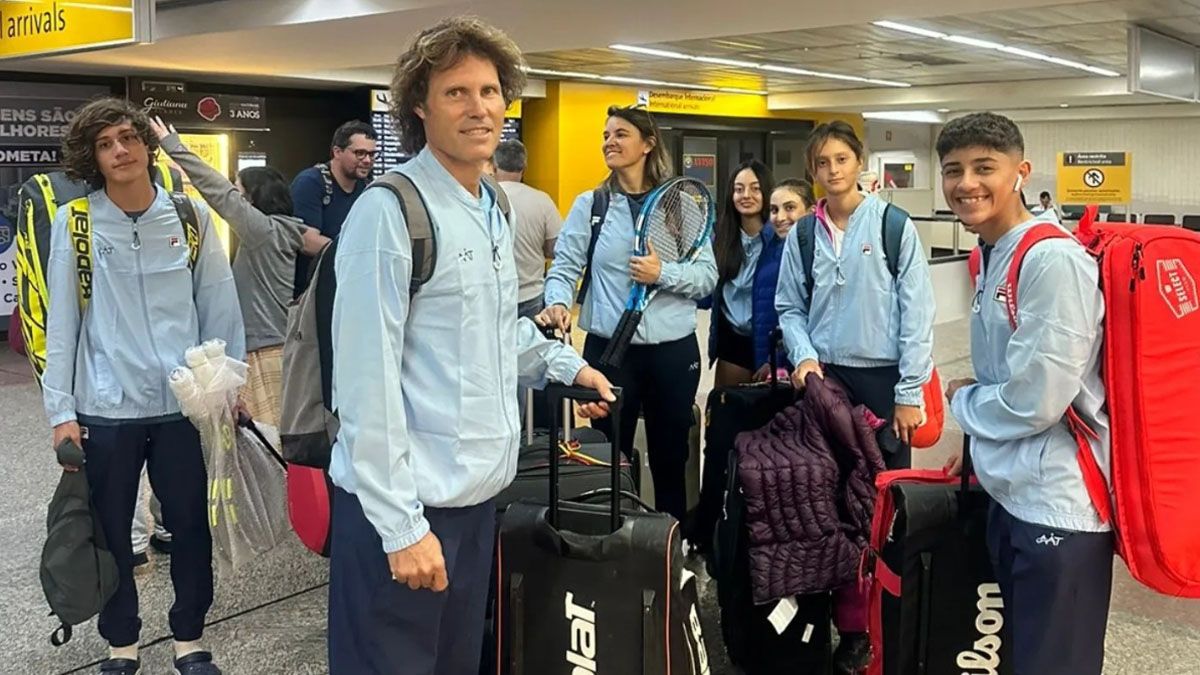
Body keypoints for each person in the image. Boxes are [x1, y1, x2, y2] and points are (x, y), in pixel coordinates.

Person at [324, 17, 615, 675]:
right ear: (419, 108)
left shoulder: (492, 204)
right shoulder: (390, 211)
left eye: (489, 91)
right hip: (405, 512)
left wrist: (567, 364)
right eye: (456, 92)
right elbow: (365, 383)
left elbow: (492, 333)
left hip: (476, 504)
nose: (479, 107)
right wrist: (401, 526)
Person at [42, 97, 242, 675]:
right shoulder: (75, 224)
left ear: (145, 144)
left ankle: (189, 639)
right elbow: (63, 325)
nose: (120, 151)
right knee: (109, 533)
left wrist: (225, 389)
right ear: (93, 158)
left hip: (183, 406)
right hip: (106, 407)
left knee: (189, 525)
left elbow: (218, 305)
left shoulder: (189, 217)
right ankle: (121, 644)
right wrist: (62, 411)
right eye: (105, 145)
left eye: (128, 138)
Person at [940, 112, 1112, 675]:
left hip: (1058, 507)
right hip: (1012, 493)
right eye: (954, 170)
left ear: (1021, 172)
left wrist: (962, 404)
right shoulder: (996, 252)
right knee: (1019, 658)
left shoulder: (1051, 260)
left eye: (984, 167)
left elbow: (1033, 401)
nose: (967, 183)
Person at [774, 120, 935, 674]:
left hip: (884, 382)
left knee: (884, 513)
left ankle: (886, 621)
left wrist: (909, 391)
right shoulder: (802, 234)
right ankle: (842, 623)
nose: (832, 171)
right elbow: (789, 307)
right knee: (828, 508)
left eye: (841, 159)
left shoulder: (892, 225)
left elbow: (918, 314)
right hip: (826, 383)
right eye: (822, 163)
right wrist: (803, 356)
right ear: (812, 170)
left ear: (859, 162)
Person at [537, 104, 717, 522]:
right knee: (607, 453)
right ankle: (612, 539)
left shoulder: (682, 206)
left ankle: (670, 544)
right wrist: (558, 300)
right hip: (610, 351)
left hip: (673, 353)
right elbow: (565, 265)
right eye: (605, 136)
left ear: (648, 144)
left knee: (670, 454)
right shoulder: (592, 204)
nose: (609, 143)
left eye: (620, 134)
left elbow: (706, 277)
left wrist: (663, 273)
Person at [152, 117, 329, 426]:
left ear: (252, 197)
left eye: (240, 190)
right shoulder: (290, 231)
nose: (235, 194)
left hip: (260, 351)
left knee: (263, 441)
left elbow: (217, 191)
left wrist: (173, 146)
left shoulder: (260, 230)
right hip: (278, 346)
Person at [705, 160, 781, 387]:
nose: (745, 195)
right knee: (729, 415)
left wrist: (776, 358)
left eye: (755, 188)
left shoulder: (782, 240)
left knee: (770, 420)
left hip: (772, 346)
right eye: (738, 189)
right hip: (732, 342)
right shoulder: (719, 238)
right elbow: (704, 295)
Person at [291, 120, 377, 296]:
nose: (367, 160)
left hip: (352, 285)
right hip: (313, 290)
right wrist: (358, 255)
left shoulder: (369, 187)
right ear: (337, 152)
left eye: (372, 154)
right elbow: (307, 241)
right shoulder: (311, 182)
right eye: (360, 153)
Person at [493, 138, 561, 320]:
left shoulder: (483, 200)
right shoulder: (542, 200)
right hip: (532, 295)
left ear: (494, 166)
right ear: (524, 167)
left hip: (492, 296)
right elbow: (555, 249)